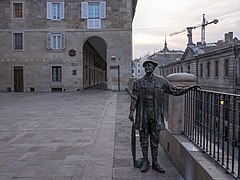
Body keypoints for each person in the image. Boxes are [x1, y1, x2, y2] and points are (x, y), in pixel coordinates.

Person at [128, 60, 200, 173]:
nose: (147, 67)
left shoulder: (162, 81)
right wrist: (131, 111)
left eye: (149, 65)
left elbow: (175, 90)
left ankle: (155, 163)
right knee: (144, 140)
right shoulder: (139, 82)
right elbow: (134, 97)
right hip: (143, 114)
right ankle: (146, 161)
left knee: (155, 140)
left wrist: (189, 88)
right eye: (145, 66)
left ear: (154, 67)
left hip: (156, 115)